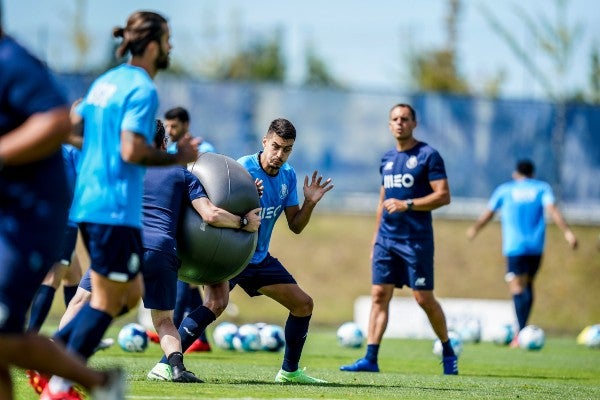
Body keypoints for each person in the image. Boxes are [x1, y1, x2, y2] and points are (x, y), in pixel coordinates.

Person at [37, 11, 199, 398]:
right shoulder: (142, 89)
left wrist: (101, 151)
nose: (172, 47)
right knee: (111, 299)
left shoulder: (105, 82)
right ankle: (55, 376)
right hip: (114, 207)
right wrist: (176, 158)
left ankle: (53, 361)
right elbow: (131, 149)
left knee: (124, 296)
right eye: (169, 39)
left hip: (92, 204)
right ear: (155, 44)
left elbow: (73, 131)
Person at [148, 117, 334, 384]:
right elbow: (215, 200)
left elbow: (296, 226)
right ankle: (166, 365)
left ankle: (289, 372)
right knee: (216, 303)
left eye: (287, 149)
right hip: (230, 254)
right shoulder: (241, 168)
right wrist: (247, 193)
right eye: (276, 146)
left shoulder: (288, 176)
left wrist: (310, 203)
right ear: (265, 142)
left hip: (258, 258)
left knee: (303, 304)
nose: (280, 155)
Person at [0, 12, 124, 400]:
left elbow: (55, 122)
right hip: (8, 220)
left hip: (32, 219)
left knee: (4, 337)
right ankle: (101, 383)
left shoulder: (10, 61)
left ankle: (99, 382)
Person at [340, 103, 459, 375]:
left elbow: (443, 195)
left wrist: (409, 204)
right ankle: (370, 358)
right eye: (394, 119)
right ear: (389, 124)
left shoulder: (429, 155)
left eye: (405, 119)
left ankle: (448, 351)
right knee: (379, 294)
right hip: (386, 240)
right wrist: (374, 240)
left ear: (414, 123)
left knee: (423, 298)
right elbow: (382, 201)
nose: (399, 123)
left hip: (415, 241)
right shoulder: (386, 159)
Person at [466, 159, 578, 343]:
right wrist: (567, 233)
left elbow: (489, 212)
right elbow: (553, 210)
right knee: (529, 284)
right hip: (536, 246)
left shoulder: (506, 190)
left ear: (515, 174)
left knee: (517, 287)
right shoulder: (542, 188)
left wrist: (475, 229)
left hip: (514, 246)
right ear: (532, 174)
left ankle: (521, 332)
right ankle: (523, 330)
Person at [160, 105, 217, 352]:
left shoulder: (204, 151)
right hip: (177, 221)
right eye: (167, 126)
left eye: (174, 126)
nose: (170, 130)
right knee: (188, 280)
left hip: (200, 221)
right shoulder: (170, 152)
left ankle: (174, 335)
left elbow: (214, 182)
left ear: (185, 124)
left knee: (184, 277)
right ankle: (200, 339)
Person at [27, 142, 83, 333]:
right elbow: (84, 182)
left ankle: (75, 331)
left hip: (44, 218)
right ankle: (31, 333)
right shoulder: (73, 150)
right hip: (65, 221)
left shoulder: (49, 148)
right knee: (53, 277)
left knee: (73, 276)